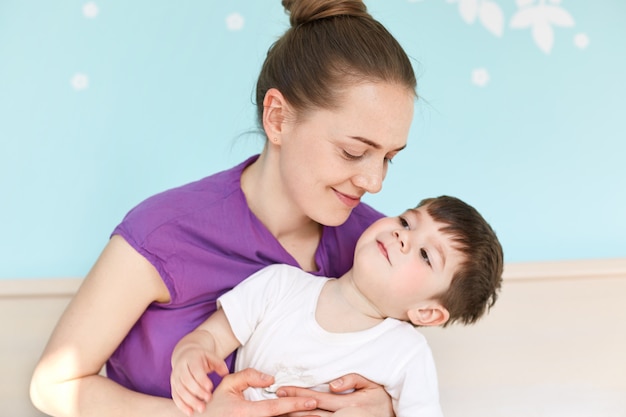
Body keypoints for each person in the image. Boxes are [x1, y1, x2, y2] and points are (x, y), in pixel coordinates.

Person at [29, 0, 419, 416]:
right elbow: (55, 385)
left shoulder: (379, 250)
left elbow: (400, 370)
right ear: (277, 118)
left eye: (388, 158)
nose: (374, 182)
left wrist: (387, 404)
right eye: (352, 151)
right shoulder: (164, 234)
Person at [170, 196, 504, 417]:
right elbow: (211, 338)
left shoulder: (406, 354)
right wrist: (191, 353)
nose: (403, 237)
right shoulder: (279, 285)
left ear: (427, 313)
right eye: (406, 222)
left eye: (425, 255)